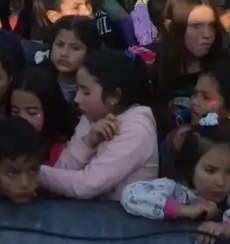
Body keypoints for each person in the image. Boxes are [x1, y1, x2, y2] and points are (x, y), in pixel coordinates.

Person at [120, 127, 230, 244]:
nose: (221, 182)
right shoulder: (181, 191)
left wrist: (228, 227)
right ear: (190, 167)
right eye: (210, 170)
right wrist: (186, 210)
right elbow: (131, 194)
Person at [38, 50, 159, 201]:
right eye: (78, 89)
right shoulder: (91, 116)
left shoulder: (137, 131)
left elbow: (87, 186)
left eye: (86, 91)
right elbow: (61, 170)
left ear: (114, 96)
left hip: (123, 221)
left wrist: (34, 173)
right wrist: (87, 143)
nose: (77, 98)